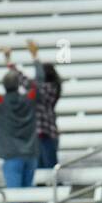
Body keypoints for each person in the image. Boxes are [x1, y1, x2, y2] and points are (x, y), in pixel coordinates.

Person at [0, 46, 39, 198]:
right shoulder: (29, 99)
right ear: (18, 85)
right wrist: (34, 56)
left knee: (14, 198)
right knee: (26, 197)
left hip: (11, 155)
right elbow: (36, 83)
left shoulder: (0, 102)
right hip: (30, 153)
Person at [26, 39, 63, 170]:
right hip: (45, 133)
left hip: (45, 134)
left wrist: (35, 58)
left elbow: (32, 84)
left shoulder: (49, 88)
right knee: (42, 168)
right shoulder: (53, 87)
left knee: (48, 167)